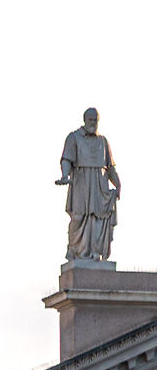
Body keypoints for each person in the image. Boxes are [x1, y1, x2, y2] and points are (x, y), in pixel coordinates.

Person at [58, 105, 119, 263]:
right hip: (81, 183)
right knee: (79, 217)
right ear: (85, 120)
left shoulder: (103, 141)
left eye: (96, 120)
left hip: (99, 185)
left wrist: (118, 184)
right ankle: (75, 250)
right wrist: (65, 175)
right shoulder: (74, 137)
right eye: (91, 120)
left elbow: (110, 167)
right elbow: (67, 159)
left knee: (98, 219)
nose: (93, 123)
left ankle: (95, 252)